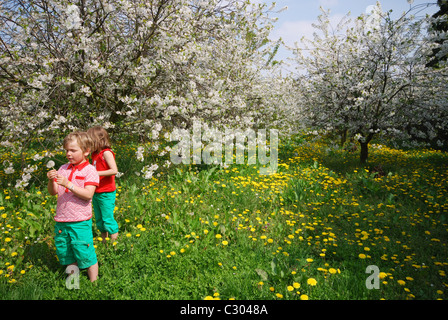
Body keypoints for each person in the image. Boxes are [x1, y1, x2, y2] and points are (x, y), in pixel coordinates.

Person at [47, 131, 100, 282]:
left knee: (84, 251)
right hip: (62, 220)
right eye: (66, 150)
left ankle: (94, 284)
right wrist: (52, 181)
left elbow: (88, 194)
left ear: (86, 151)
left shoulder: (90, 171)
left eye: (73, 150)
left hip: (80, 221)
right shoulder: (63, 168)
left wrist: (68, 184)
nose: (68, 154)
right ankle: (73, 283)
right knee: (66, 251)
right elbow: (53, 192)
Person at [87, 126, 119, 242]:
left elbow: (114, 170)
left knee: (107, 218)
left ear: (99, 139)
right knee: (99, 219)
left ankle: (114, 244)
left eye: (91, 141)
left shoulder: (106, 153)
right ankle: (104, 241)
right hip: (96, 191)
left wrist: (95, 173)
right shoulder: (95, 154)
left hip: (106, 192)